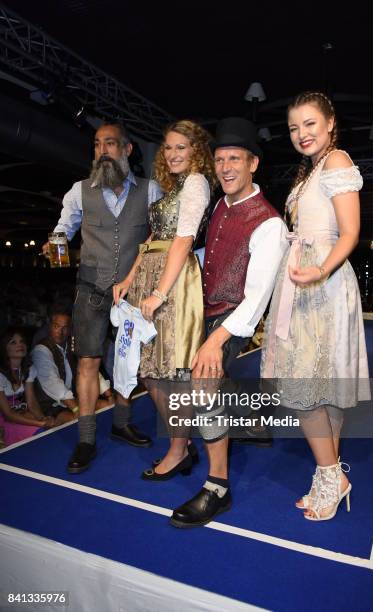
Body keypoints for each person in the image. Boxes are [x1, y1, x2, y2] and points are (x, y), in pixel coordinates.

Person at [170, 117, 288, 527]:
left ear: (253, 163)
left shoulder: (270, 223)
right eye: (220, 160)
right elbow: (212, 255)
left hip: (234, 318)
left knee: (204, 383)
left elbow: (255, 301)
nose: (226, 168)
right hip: (205, 308)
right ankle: (250, 421)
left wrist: (214, 341)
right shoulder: (221, 203)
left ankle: (217, 488)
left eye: (235, 159)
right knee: (197, 382)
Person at [261, 91, 370, 521]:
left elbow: (350, 233)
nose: (301, 134)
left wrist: (319, 270)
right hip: (304, 281)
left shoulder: (338, 161)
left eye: (309, 124)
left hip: (321, 284)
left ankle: (331, 475)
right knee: (318, 390)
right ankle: (328, 477)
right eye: (293, 128)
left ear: (329, 124)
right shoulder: (310, 172)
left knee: (304, 389)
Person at [42, 122, 162, 474]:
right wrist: (56, 241)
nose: (102, 150)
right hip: (91, 290)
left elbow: (160, 235)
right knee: (88, 363)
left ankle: (122, 423)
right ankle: (86, 438)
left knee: (129, 362)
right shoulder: (80, 191)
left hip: (133, 293)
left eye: (110, 143)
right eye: (97, 145)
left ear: (127, 150)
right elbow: (64, 228)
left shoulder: (150, 190)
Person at [113, 119, 217, 479]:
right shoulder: (173, 187)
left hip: (173, 281)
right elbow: (154, 237)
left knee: (171, 371)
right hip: (150, 275)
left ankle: (177, 449)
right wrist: (129, 278)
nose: (172, 154)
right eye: (168, 147)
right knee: (151, 371)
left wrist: (159, 291)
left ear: (196, 152)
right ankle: (181, 442)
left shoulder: (197, 183)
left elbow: (183, 241)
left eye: (181, 148)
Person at [31, 302, 113, 422]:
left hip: (75, 399)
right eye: (56, 326)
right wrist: (76, 409)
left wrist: (109, 395)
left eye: (64, 328)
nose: (60, 331)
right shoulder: (41, 350)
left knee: (107, 406)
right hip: (53, 406)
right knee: (78, 421)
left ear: (70, 329)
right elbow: (53, 384)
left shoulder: (73, 345)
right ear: (50, 326)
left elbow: (90, 370)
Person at [0, 327, 55, 446]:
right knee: (40, 432)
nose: (20, 345)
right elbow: (8, 415)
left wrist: (42, 419)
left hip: (20, 414)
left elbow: (32, 403)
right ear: (4, 348)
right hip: (4, 420)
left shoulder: (28, 370)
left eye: (22, 341)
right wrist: (39, 424)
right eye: (13, 342)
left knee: (49, 430)